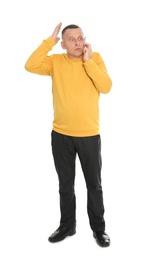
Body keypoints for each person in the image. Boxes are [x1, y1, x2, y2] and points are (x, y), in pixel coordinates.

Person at [25, 22, 112, 247]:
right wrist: (49, 42)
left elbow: (106, 86)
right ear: (63, 44)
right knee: (65, 185)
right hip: (61, 135)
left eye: (80, 38)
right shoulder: (55, 61)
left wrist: (88, 61)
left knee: (94, 184)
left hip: (89, 135)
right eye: (71, 39)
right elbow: (30, 65)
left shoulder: (95, 59)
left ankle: (99, 229)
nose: (77, 42)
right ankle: (67, 226)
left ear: (85, 41)